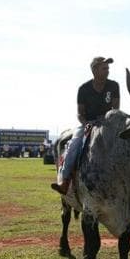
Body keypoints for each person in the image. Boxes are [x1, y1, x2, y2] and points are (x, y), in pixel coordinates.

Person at [51, 56, 120, 194]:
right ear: (94, 70)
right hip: (88, 123)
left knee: (126, 143)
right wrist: (86, 123)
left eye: (108, 68)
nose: (107, 71)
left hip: (108, 123)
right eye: (104, 68)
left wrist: (110, 122)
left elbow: (116, 108)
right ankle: (64, 181)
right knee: (74, 145)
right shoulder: (84, 89)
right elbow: (79, 113)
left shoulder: (114, 85)